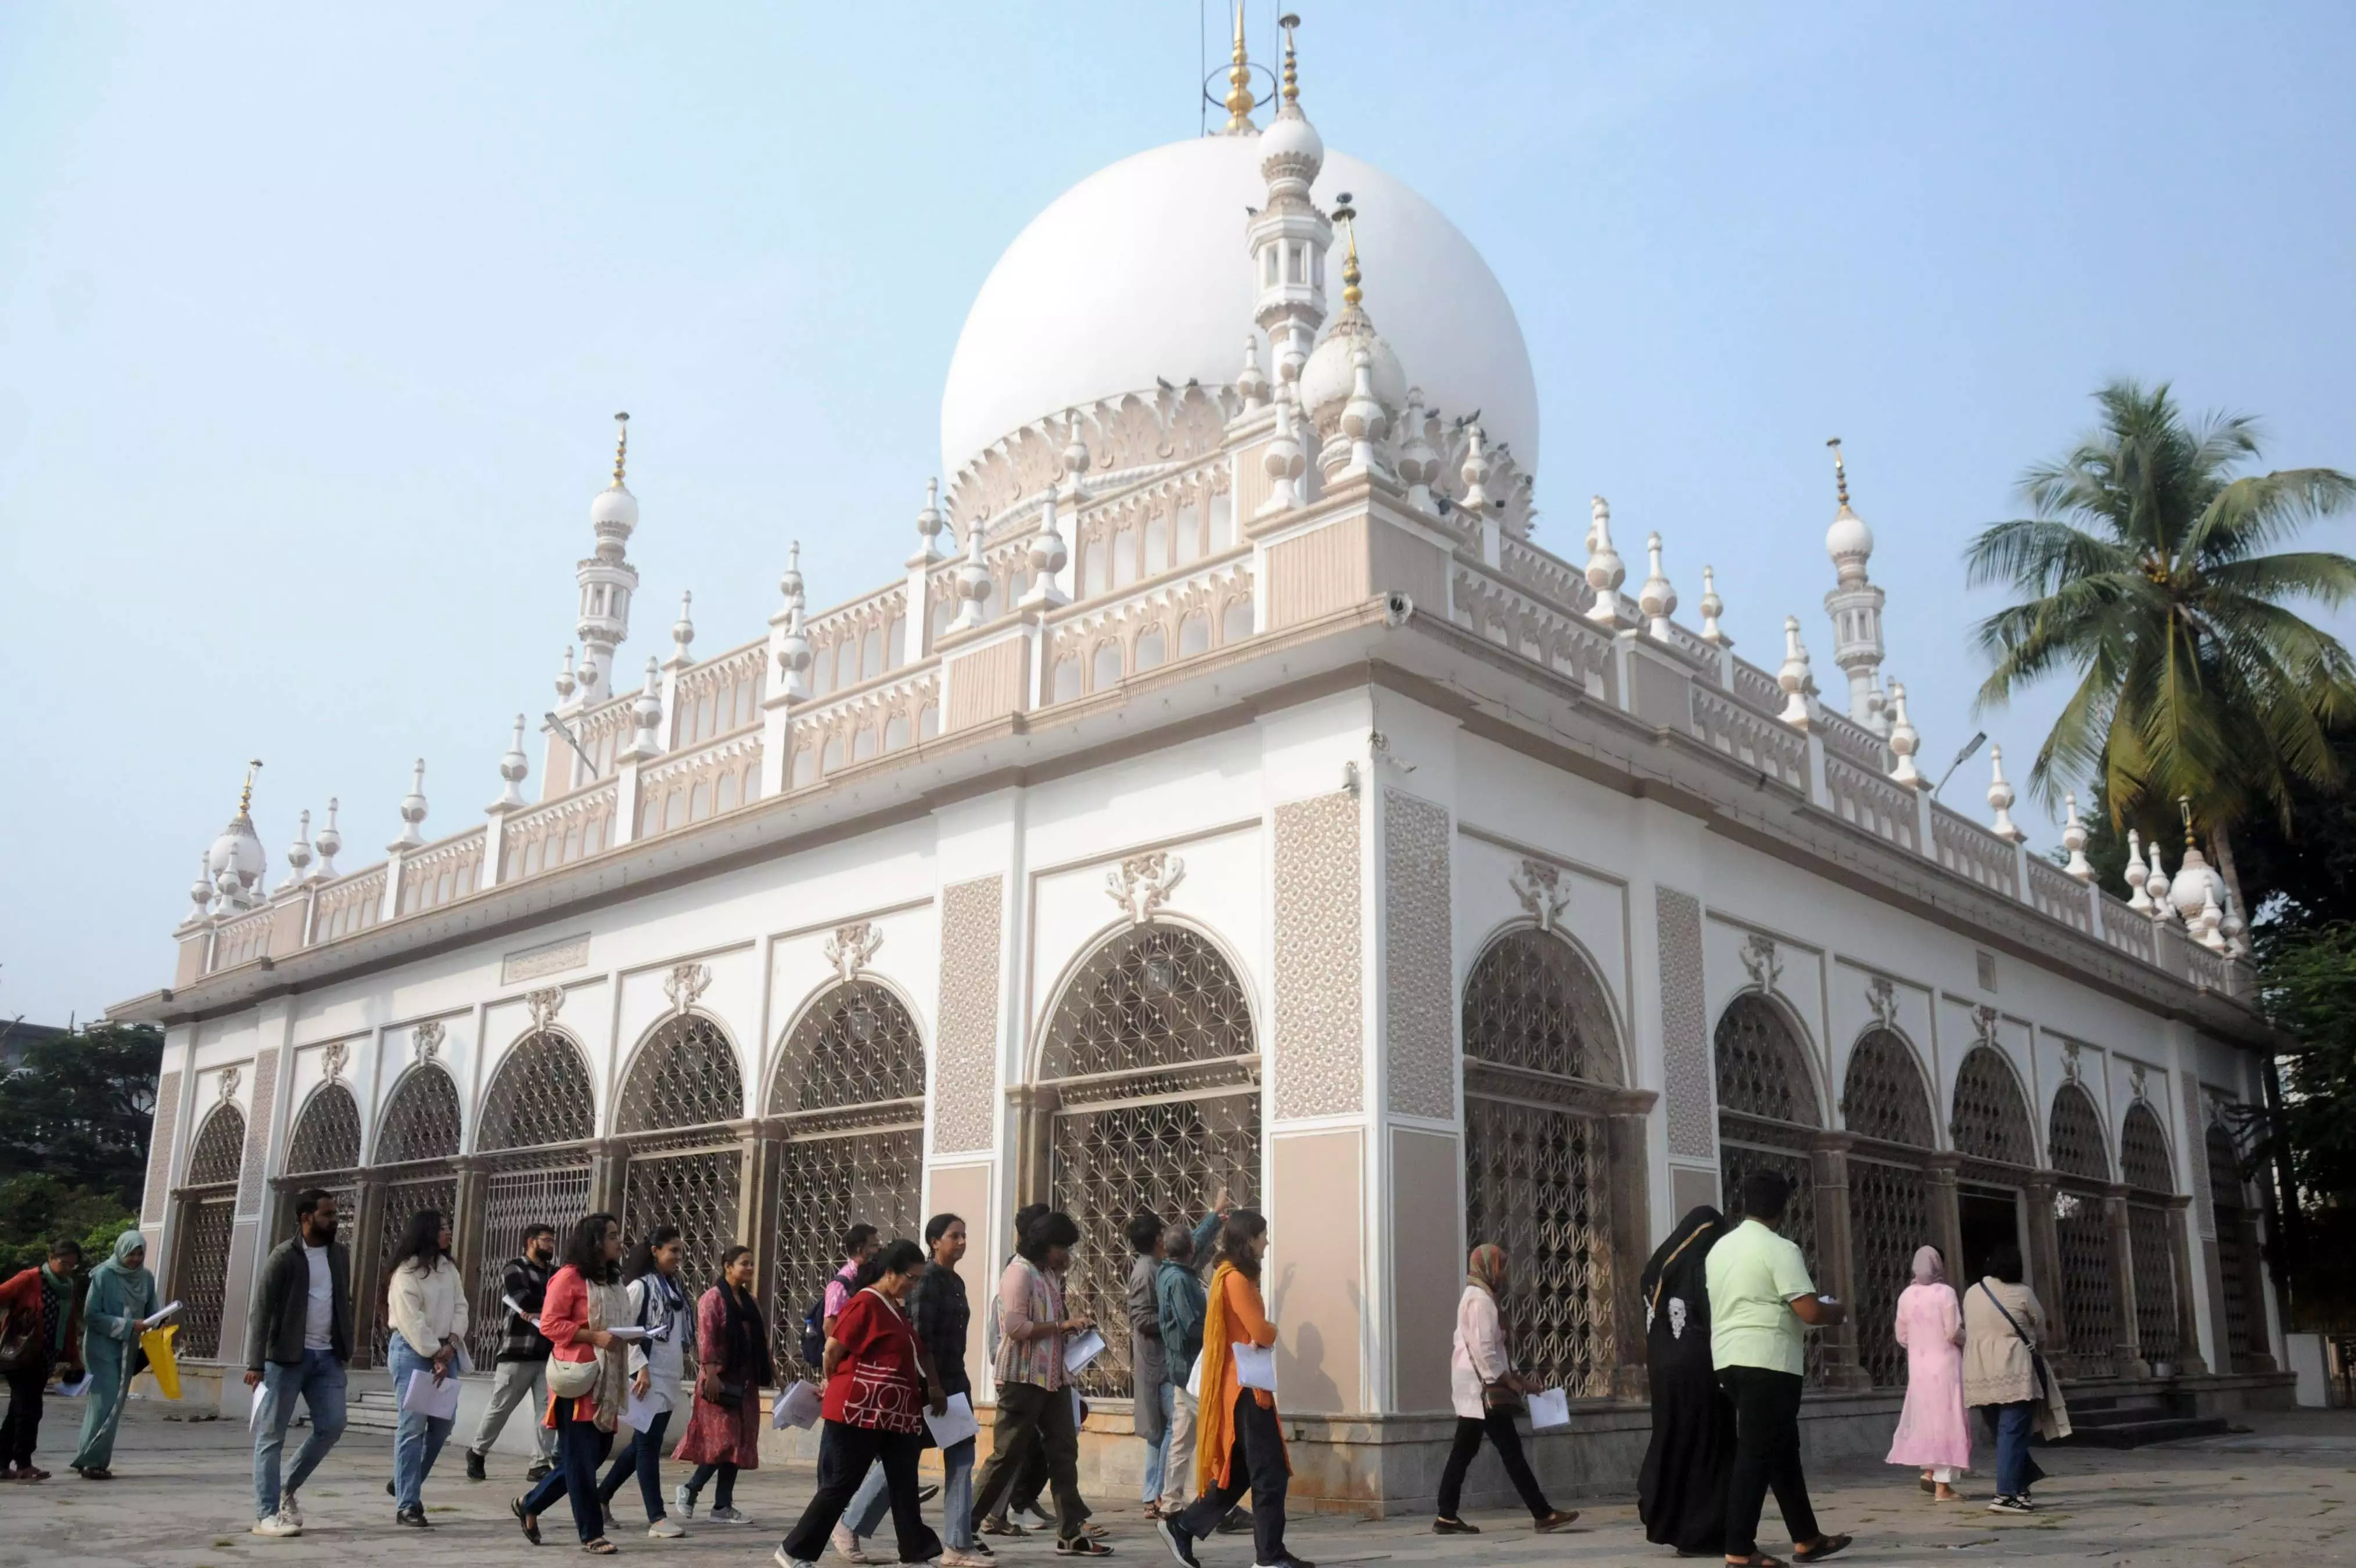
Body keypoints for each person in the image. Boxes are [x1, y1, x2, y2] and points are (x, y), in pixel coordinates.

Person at [1705, 1171, 1852, 1568]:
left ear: (1743, 1203)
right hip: (1768, 1361)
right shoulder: (1781, 1248)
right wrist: (1835, 1312)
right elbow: (1808, 1309)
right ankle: (1739, 1549)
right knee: (1755, 1454)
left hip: (1729, 1359)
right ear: (1782, 1209)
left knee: (1781, 1451)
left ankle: (1807, 1537)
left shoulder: (1720, 1248)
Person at [777, 1239, 947, 1568]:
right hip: (859, 1411)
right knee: (842, 1484)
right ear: (889, 1273)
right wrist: (833, 1381)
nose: (913, 1285)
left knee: (904, 1485)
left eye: (918, 1279)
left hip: (895, 1415)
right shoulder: (865, 1303)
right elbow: (832, 1349)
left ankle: (914, 1553)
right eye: (910, 1277)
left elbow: (916, 1352)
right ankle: (794, 1550)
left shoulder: (894, 1308)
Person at [1157, 1209, 1307, 1568]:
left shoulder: (1236, 1277)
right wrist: (1270, 1330)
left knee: (1239, 1473)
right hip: (1244, 1391)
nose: (1267, 1242)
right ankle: (1268, 1558)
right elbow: (1260, 1331)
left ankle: (1185, 1527)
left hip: (1245, 1385)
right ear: (1248, 1239)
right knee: (1269, 1473)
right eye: (1262, 1235)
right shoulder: (1236, 1279)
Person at [841, 1215, 984, 1566]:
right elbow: (918, 1339)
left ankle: (957, 1545)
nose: (962, 1242)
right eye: (955, 1236)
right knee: (900, 1461)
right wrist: (931, 1384)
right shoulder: (925, 1282)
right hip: (927, 1386)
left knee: (963, 1459)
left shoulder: (956, 1282)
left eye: (965, 1236)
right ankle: (849, 1524)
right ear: (935, 1242)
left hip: (955, 1382)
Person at [969, 1210, 1105, 1556]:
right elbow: (1016, 1328)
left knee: (1063, 1451)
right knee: (1007, 1454)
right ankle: (964, 1527)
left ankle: (1071, 1532)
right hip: (1022, 1378)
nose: (1067, 1256)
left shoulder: (1046, 1274)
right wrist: (1061, 1327)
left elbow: (1050, 1320)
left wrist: (1073, 1328)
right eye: (1063, 1247)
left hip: (1054, 1378)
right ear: (1046, 1245)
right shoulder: (1018, 1273)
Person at [1432, 1244, 1578, 1535]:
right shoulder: (1480, 1301)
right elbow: (1485, 1351)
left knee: (1464, 1451)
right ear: (1487, 1266)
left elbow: (1493, 1351)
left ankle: (1446, 1515)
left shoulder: (1481, 1297)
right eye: (1501, 1266)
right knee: (1510, 1452)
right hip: (1483, 1390)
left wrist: (1521, 1380)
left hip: (1478, 1389)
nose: (1504, 1273)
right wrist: (1508, 1382)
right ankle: (1543, 1513)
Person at [516, 1211, 631, 1556]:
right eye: (612, 1235)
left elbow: (620, 1320)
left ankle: (531, 1503)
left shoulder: (612, 1281)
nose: (618, 1241)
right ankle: (591, 1533)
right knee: (581, 1459)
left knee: (593, 1454)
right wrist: (592, 1335)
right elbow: (550, 1324)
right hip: (578, 1380)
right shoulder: (568, 1278)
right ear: (595, 1242)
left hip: (608, 1379)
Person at [245, 1190, 353, 1536]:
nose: (334, 1220)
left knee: (333, 1425)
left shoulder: (340, 1255)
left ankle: (285, 1488)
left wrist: (344, 1345)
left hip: (328, 1357)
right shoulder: (284, 1257)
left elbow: (340, 1302)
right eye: (328, 1214)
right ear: (306, 1218)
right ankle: (266, 1514)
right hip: (286, 1359)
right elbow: (261, 1311)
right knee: (272, 1435)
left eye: (335, 1214)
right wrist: (255, 1363)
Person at [1637, 1206, 1734, 1556]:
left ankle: (1673, 1522)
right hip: (1700, 1371)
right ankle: (1703, 1530)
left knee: (1675, 1441)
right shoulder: (1704, 1268)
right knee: (1708, 1447)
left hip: (1664, 1373)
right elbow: (1715, 1320)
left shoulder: (1657, 1271)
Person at [597, 1225, 694, 1538]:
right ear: (655, 1251)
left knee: (641, 1443)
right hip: (646, 1377)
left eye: (681, 1251)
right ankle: (657, 1517)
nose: (678, 1257)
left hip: (669, 1375)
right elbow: (624, 1331)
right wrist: (641, 1368)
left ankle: (602, 1495)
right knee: (648, 1447)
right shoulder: (641, 1287)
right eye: (673, 1251)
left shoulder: (674, 1288)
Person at [1962, 1242, 2069, 1515]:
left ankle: (2021, 1487)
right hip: (2014, 1370)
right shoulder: (2023, 1293)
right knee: (2012, 1432)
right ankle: (2006, 1495)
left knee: (2003, 1433)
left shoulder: (1973, 1293)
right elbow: (2042, 1331)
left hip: (1980, 1371)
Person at [674, 1243, 770, 1525]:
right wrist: (711, 1375)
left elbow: (760, 1341)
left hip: (745, 1381)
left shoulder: (749, 1301)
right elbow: (707, 1339)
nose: (750, 1269)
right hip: (719, 1382)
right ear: (727, 1266)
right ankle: (691, 1489)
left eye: (752, 1264)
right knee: (723, 1444)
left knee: (737, 1445)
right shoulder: (712, 1299)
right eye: (744, 1263)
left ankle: (722, 1506)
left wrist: (773, 1375)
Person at [385, 1206, 470, 1526]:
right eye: (443, 1228)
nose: (449, 1233)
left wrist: (451, 1343)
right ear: (427, 1233)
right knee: (412, 1427)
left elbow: (461, 1306)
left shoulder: (448, 1269)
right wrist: (436, 1352)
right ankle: (408, 1503)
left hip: (446, 1351)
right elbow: (411, 1321)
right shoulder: (406, 1274)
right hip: (413, 1352)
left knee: (443, 1425)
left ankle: (406, 1480)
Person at [1152, 1203, 1230, 1523]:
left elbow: (1191, 1243)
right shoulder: (1181, 1282)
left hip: (1181, 1370)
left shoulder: (1169, 1271)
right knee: (1217, 1436)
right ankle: (1215, 1504)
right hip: (1194, 1370)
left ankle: (1171, 1502)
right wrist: (1220, 1328)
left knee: (1182, 1441)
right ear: (1191, 1251)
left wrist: (1214, 1217)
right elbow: (1191, 1326)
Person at [468, 1221, 559, 1483]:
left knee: (546, 1410)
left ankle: (539, 1463)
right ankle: (477, 1452)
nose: (551, 1246)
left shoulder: (556, 1272)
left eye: (552, 1241)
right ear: (531, 1241)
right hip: (518, 1350)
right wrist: (549, 1307)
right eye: (547, 1240)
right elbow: (523, 1299)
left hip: (547, 1351)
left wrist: (545, 1308)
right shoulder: (514, 1268)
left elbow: (564, 1302)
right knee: (501, 1406)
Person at [70, 1228, 157, 1480]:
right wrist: (129, 1326)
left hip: (128, 1350)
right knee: (103, 1403)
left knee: (115, 1404)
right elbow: (92, 1315)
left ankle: (88, 1456)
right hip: (101, 1348)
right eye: (132, 1254)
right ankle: (92, 1462)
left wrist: (157, 1322)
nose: (136, 1259)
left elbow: (153, 1308)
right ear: (121, 1251)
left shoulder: (146, 1278)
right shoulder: (104, 1275)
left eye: (140, 1254)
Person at [1887, 1245, 1970, 1502]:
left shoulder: (1906, 1296)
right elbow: (1953, 1331)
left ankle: (1929, 1470)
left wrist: (1920, 1343)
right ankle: (1943, 1488)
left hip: (1920, 1368)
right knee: (1947, 1419)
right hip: (1945, 1365)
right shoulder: (1945, 1293)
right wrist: (1969, 1340)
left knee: (1927, 1418)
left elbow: (1902, 1336)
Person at [0, 1236, 84, 1481]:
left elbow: (68, 1325)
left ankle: (2, 1463)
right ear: (50, 1258)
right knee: (30, 1410)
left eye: (73, 1265)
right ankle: (24, 1463)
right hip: (20, 1356)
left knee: (18, 1411)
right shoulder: (30, 1279)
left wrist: (74, 1359)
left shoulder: (66, 1287)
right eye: (63, 1263)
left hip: (45, 1358)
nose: (68, 1269)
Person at [1126, 1212, 1173, 1518]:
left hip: (1161, 1363)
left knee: (1160, 1432)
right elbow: (1141, 1318)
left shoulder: (1158, 1266)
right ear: (1158, 1239)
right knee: (1175, 1423)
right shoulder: (1146, 1272)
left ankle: (1152, 1495)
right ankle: (1158, 1494)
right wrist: (1175, 1322)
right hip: (1158, 1364)